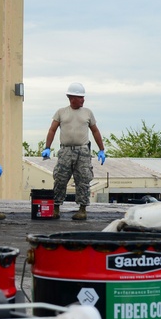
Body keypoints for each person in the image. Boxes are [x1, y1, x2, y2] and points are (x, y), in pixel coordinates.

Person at [41, 82, 106, 220]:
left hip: (82, 151)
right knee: (60, 178)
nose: (83, 100)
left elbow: (95, 130)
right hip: (65, 151)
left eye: (83, 97)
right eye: (80, 97)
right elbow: (52, 130)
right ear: (72, 98)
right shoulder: (61, 112)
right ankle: (56, 207)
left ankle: (82, 209)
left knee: (83, 179)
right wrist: (47, 147)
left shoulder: (87, 113)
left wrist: (102, 149)